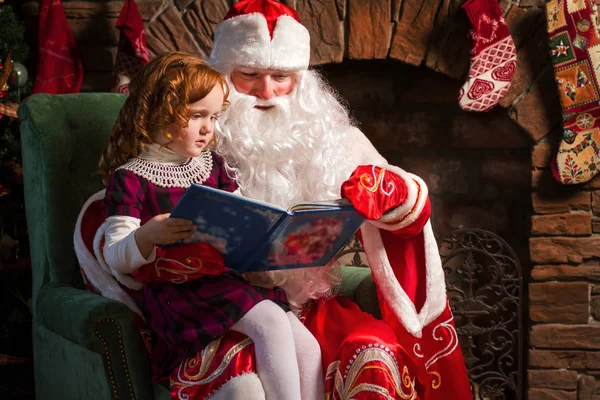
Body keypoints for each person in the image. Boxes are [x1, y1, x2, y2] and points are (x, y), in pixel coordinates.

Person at [199, 0, 473, 399]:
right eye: (249, 75)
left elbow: (411, 202)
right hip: (224, 312)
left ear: (302, 79)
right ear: (223, 74)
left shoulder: (330, 137)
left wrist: (383, 192)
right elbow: (133, 204)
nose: (266, 92)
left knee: (374, 353)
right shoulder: (197, 133)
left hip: (310, 308)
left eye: (281, 76)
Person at [74, 51, 324, 400]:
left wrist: (268, 240)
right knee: (270, 323)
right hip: (179, 295)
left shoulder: (213, 165)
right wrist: (147, 236)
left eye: (214, 116)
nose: (208, 128)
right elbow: (115, 255)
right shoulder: (131, 178)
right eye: (196, 116)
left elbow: (242, 216)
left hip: (227, 283)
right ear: (159, 112)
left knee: (308, 347)